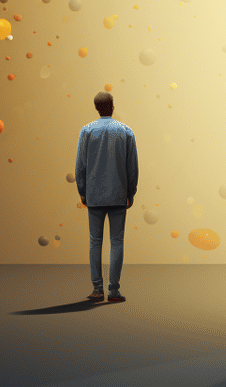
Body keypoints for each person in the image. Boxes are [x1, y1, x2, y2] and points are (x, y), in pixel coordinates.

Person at [75, 91, 138, 303]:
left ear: (96, 108)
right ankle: (114, 290)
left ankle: (96, 289)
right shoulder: (126, 131)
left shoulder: (86, 131)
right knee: (117, 241)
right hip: (119, 194)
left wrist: (83, 191)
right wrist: (131, 191)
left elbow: (80, 165)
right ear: (112, 106)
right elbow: (132, 167)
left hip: (94, 195)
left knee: (95, 242)